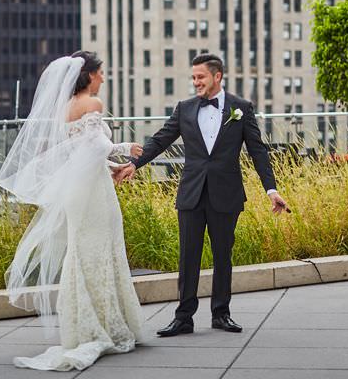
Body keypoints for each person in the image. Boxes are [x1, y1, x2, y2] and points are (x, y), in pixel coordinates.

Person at [115, 53, 288, 337]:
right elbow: (160, 140)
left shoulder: (241, 108)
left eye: (200, 77)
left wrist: (271, 190)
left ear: (217, 76)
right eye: (193, 77)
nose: (195, 82)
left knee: (223, 255)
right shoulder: (184, 108)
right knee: (188, 256)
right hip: (191, 193)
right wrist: (134, 163)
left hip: (226, 194)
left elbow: (258, 151)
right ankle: (184, 318)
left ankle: (221, 314)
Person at [0, 51, 146, 370]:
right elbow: (93, 147)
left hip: (82, 187)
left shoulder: (65, 109)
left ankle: (84, 325)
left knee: (82, 251)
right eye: (101, 72)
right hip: (92, 191)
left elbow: (77, 154)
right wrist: (123, 150)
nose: (103, 78)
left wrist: (112, 165)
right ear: (88, 74)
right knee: (101, 249)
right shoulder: (93, 104)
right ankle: (104, 325)